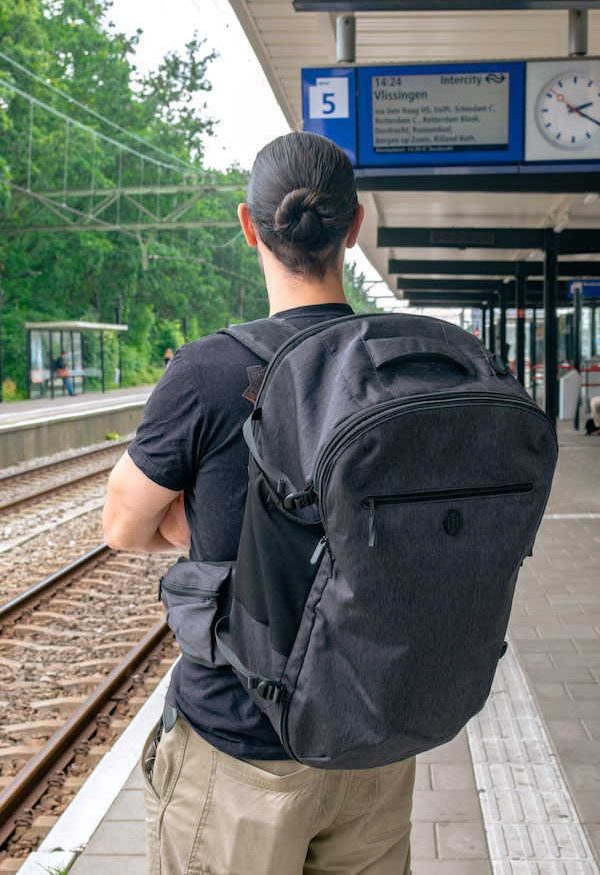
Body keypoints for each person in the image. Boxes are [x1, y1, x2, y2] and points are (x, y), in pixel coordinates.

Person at [102, 132, 415, 875]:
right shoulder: (400, 362)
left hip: (242, 750)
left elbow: (121, 525)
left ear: (250, 226)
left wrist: (212, 531)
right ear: (354, 226)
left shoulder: (213, 369)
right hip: (375, 740)